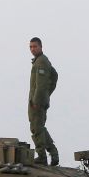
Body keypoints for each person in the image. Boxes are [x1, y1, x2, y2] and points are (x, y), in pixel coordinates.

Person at [28, 37, 59, 165]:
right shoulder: (40, 61)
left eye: (35, 46)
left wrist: (38, 100)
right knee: (39, 127)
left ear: (41, 47)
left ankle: (42, 156)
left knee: (36, 128)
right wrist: (47, 94)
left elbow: (40, 85)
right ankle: (53, 153)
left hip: (37, 102)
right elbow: (54, 75)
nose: (32, 49)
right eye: (30, 47)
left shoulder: (41, 62)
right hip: (38, 99)